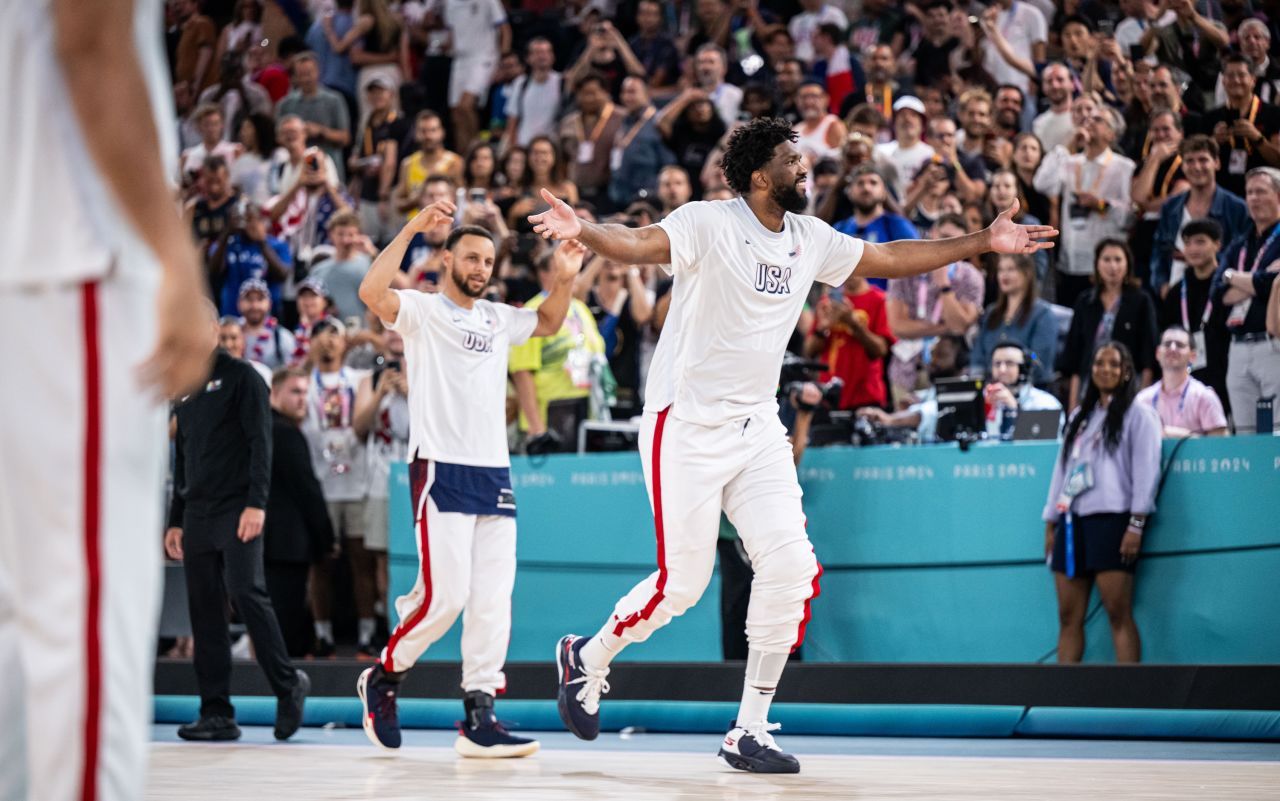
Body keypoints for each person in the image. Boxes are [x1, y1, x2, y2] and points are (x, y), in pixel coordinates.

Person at [527, 117, 1055, 773]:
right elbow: (637, 242)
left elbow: (887, 259)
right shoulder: (709, 222)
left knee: (793, 567)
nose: (805, 168)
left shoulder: (809, 237)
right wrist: (586, 230)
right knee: (683, 586)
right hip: (684, 424)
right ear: (759, 176)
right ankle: (588, 654)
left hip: (756, 427)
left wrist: (982, 240)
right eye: (791, 160)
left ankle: (747, 728)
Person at [1, 3, 209, 798]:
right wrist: (171, 250)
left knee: (21, 629)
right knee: (82, 629)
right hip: (67, 249)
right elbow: (88, 37)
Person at [355, 205, 584, 756]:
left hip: (494, 472)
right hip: (440, 465)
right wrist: (410, 229)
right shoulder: (421, 310)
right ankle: (385, 675)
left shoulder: (499, 317)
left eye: (488, 260)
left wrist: (567, 279)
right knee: (446, 599)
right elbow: (371, 290)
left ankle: (480, 714)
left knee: (492, 601)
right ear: (447, 259)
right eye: (472, 258)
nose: (481, 268)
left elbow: (550, 321)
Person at [166, 302, 309, 742]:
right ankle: (216, 713)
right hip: (197, 513)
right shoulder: (184, 385)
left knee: (248, 593)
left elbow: (260, 444)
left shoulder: (243, 377)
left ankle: (288, 686)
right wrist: (176, 520)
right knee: (203, 610)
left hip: (237, 507)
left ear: (211, 328)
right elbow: (184, 457)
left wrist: (257, 504)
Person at [1043, 341, 1162, 664]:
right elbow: (1062, 469)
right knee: (1068, 616)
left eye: (1113, 364)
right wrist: (1051, 521)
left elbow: (1146, 473)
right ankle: (1062, 702)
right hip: (1072, 521)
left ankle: (1129, 700)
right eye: (1098, 363)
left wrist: (1136, 525)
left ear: (1126, 372)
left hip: (1113, 521)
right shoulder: (1081, 415)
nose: (1104, 370)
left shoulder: (1140, 414)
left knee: (1117, 612)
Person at [302, 318, 376, 657]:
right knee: (321, 564)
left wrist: (364, 335)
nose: (328, 341)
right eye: (321, 335)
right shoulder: (303, 381)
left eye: (335, 334)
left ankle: (366, 633)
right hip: (319, 483)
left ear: (346, 341)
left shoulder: (360, 380)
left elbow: (382, 346)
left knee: (362, 562)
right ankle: (321, 634)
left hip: (358, 481)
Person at [264, 368, 337, 657]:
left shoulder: (264, 428)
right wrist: (327, 540)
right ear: (275, 393)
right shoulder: (285, 433)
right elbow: (308, 492)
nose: (302, 399)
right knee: (286, 631)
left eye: (305, 393)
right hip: (286, 546)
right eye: (295, 392)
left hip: (266, 544)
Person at [1034, 104, 1136, 309]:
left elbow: (1128, 218)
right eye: (1087, 119)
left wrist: (1100, 204)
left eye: (1097, 120)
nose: (1088, 122)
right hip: (1069, 263)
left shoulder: (1124, 167)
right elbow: (1041, 183)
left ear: (1111, 133)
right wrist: (1069, 144)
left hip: (1103, 267)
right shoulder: (1069, 161)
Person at [509, 250, 607, 445]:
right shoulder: (533, 311)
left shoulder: (580, 308)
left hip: (584, 408)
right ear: (543, 274)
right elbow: (522, 372)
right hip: (549, 413)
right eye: (561, 269)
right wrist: (537, 428)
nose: (569, 275)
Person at [885, 215, 984, 401]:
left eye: (957, 242)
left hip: (950, 370)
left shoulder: (971, 278)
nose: (948, 246)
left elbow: (959, 327)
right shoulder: (905, 269)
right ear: (931, 234)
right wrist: (942, 328)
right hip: (905, 370)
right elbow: (898, 327)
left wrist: (945, 286)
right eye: (944, 237)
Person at [1212, 167, 1280, 433]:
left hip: (1273, 344)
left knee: (1277, 431)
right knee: (1245, 432)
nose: (1253, 198)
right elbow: (1217, 292)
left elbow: (1273, 286)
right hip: (1238, 346)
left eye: (1261, 191)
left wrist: (1234, 278)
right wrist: (1257, 281)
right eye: (1249, 192)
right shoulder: (1239, 243)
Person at [1059, 240, 1159, 411]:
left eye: (1118, 260)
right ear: (1097, 264)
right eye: (1106, 259)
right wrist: (1073, 407)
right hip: (1089, 384)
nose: (1113, 266)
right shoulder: (1085, 301)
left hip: (1129, 384)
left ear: (1128, 264)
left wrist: (1142, 400)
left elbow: (1149, 357)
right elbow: (1075, 358)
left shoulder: (1141, 300)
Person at [1150, 136, 1249, 295]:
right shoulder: (1171, 206)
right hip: (1175, 294)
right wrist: (1162, 286)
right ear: (1182, 166)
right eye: (1189, 161)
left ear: (1216, 163)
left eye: (1203, 160)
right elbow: (1159, 252)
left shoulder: (1237, 208)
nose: (1196, 167)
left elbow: (1242, 255)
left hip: (1219, 293)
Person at [804, 274, 895, 411]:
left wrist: (854, 325)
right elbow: (809, 351)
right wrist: (822, 329)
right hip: (829, 395)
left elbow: (880, 351)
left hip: (866, 396)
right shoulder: (828, 303)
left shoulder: (879, 300)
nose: (851, 273)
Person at [970, 253, 1058, 386]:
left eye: (1011, 269)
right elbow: (977, 358)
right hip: (990, 389)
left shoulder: (1043, 314)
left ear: (1027, 273)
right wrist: (978, 385)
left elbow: (1039, 361)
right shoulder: (991, 313)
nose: (1004, 275)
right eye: (1001, 270)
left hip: (1029, 391)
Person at [441, 0, 510, 153]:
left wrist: (502, 61)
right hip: (459, 60)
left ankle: (477, 150)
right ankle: (462, 155)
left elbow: (505, 30)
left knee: (465, 105)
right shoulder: (450, 3)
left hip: (484, 57)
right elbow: (453, 33)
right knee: (455, 113)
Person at [1135, 326, 1229, 437]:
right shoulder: (1142, 400)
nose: (1173, 348)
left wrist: (1168, 433)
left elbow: (1220, 448)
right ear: (1157, 353)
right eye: (1167, 344)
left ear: (1193, 356)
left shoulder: (1204, 397)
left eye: (1179, 345)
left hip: (1196, 455)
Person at [277, 52, 352, 183]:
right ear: (295, 77)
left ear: (318, 72)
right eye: (302, 74)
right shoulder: (286, 104)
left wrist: (321, 131)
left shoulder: (334, 100)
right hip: (297, 172)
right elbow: (278, 138)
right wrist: (295, 135)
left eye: (309, 73)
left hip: (329, 170)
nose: (306, 79)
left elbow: (345, 138)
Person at [980, 342, 1063, 439]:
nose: (1002, 369)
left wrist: (1015, 409)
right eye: (997, 364)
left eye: (1009, 363)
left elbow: (1044, 446)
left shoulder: (1045, 403)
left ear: (1024, 368)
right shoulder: (983, 399)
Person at [309, 211, 378, 319]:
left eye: (350, 235)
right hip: (330, 332)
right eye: (340, 234)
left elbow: (401, 284)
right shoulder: (318, 271)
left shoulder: (370, 263)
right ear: (331, 234)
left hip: (363, 331)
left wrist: (373, 253)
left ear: (358, 235)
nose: (345, 240)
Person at [503, 38, 563, 151]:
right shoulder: (520, 84)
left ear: (553, 56)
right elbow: (512, 120)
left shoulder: (561, 82)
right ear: (528, 58)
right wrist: (513, 147)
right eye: (538, 52)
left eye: (547, 52)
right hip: (524, 144)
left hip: (550, 147)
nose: (542, 56)